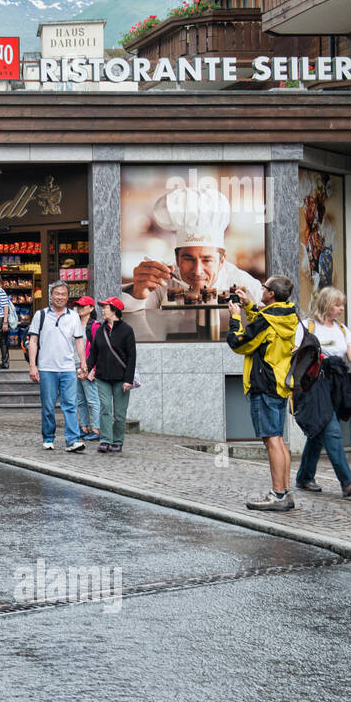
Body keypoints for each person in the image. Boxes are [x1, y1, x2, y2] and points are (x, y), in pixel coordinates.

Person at [124, 184, 266, 340]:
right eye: (188, 259)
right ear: (177, 259)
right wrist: (137, 295)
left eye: (207, 260)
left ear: (221, 261)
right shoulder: (161, 282)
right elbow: (129, 332)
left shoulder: (242, 283)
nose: (197, 270)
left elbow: (281, 321)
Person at [292, 286, 351, 498]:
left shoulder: (342, 329)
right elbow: (295, 353)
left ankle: (304, 477)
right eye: (337, 304)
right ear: (326, 305)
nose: (341, 308)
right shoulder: (308, 326)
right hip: (313, 385)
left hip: (336, 384)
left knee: (318, 432)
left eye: (342, 304)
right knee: (331, 429)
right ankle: (347, 481)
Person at [227, 274, 299, 511]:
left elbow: (240, 343)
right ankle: (285, 491)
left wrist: (235, 319)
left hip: (264, 383)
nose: (261, 289)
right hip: (280, 383)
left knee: (271, 440)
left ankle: (277, 494)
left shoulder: (267, 321)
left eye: (264, 287)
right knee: (278, 438)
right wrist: (248, 305)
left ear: (271, 294)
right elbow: (265, 321)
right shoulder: (287, 313)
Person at [28, 280, 88, 452]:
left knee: (70, 404)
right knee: (48, 405)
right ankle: (48, 438)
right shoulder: (41, 315)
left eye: (63, 294)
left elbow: (79, 342)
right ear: (51, 296)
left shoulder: (74, 316)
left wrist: (83, 363)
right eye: (57, 294)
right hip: (47, 368)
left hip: (68, 368)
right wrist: (33, 366)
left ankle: (73, 440)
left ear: (68, 297)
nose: (60, 297)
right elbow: (33, 341)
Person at [87, 297, 137, 453]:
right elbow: (94, 353)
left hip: (122, 379)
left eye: (105, 308)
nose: (102, 310)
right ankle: (105, 440)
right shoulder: (100, 330)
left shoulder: (127, 330)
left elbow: (132, 357)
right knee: (105, 409)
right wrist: (87, 369)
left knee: (120, 413)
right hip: (102, 377)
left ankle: (117, 440)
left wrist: (128, 380)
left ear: (114, 310)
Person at [75, 295, 102, 441]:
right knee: (79, 400)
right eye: (78, 306)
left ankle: (97, 430)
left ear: (91, 308)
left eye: (83, 306)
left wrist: (92, 369)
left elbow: (98, 350)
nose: (80, 308)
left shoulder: (95, 326)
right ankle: (84, 427)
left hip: (87, 367)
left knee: (92, 399)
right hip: (73, 365)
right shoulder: (74, 324)